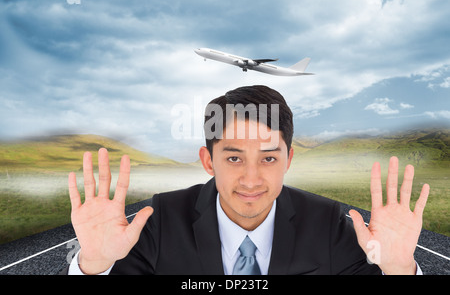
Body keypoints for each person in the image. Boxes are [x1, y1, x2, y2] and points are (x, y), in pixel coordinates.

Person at [65, 85, 429, 275]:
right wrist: (93, 265)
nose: (251, 179)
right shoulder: (158, 222)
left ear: (288, 159)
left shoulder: (333, 226)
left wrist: (399, 269)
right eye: (234, 157)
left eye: (268, 158)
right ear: (208, 160)